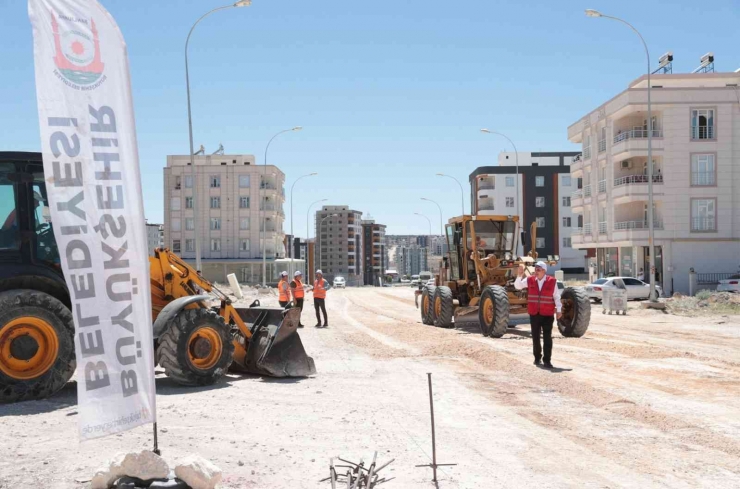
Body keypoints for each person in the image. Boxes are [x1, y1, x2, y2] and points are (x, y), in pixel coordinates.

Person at [514, 261, 562, 369]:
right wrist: (520, 275)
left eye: (539, 269)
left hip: (547, 314)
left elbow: (556, 297)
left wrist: (559, 310)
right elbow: (517, 286)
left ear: (544, 271)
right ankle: (537, 357)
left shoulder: (552, 281)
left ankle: (547, 361)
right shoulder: (530, 279)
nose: (536, 271)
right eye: (536, 269)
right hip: (534, 314)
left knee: (547, 338)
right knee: (535, 337)